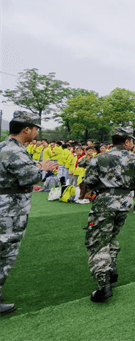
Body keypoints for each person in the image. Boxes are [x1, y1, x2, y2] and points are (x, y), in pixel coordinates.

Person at [83, 127, 135, 303]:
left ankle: (103, 284)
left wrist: (103, 186)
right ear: (126, 141)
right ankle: (111, 268)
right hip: (125, 202)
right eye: (132, 141)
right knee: (112, 235)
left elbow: (88, 181)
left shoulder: (100, 157)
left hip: (105, 202)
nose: (133, 144)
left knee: (98, 241)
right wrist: (127, 187)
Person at [0, 111, 57, 315]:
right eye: (35, 128)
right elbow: (29, 177)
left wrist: (37, 166)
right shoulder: (14, 151)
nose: (36, 132)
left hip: (8, 206)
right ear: (26, 129)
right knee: (6, 250)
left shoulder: (8, 147)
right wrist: (43, 168)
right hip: (9, 209)